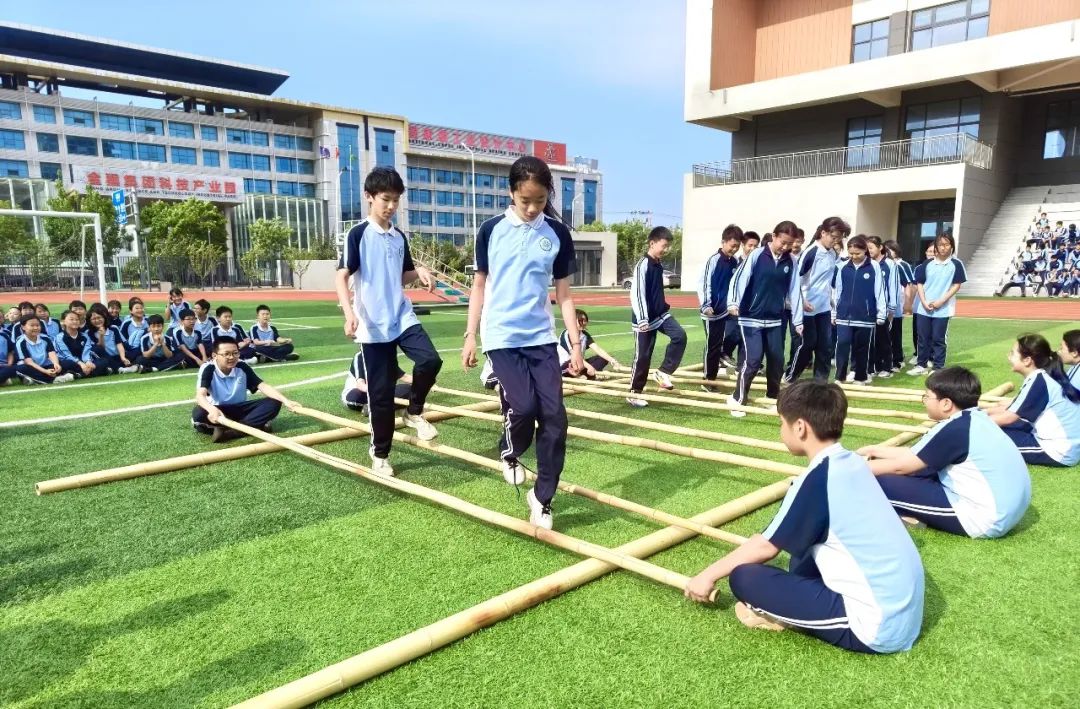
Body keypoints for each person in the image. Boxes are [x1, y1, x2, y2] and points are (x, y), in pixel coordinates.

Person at [685, 380, 924, 654]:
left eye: (781, 423)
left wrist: (706, 575)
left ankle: (781, 615)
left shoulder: (818, 479)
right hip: (902, 609)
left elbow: (765, 546)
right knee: (801, 543)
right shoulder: (853, 463)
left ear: (799, 427)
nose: (781, 431)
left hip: (876, 627)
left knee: (745, 577)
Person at [461, 155, 582, 530]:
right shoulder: (491, 229)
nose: (532, 208)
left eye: (540, 201)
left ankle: (543, 497)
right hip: (501, 337)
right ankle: (509, 452)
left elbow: (563, 295)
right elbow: (479, 285)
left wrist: (575, 345)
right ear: (511, 192)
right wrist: (471, 334)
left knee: (556, 419)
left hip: (541, 338)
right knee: (525, 407)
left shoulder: (557, 234)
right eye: (525, 200)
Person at [336, 165, 443, 476]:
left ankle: (413, 411)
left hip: (401, 314)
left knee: (430, 361)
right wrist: (349, 313)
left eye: (396, 200)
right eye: (386, 199)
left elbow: (404, 273)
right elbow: (342, 276)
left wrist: (420, 271)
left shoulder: (398, 237)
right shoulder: (357, 234)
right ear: (370, 197)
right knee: (380, 397)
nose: (392, 206)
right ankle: (380, 453)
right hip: (372, 325)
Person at [861, 367, 1031, 537]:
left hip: (985, 519)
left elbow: (901, 467)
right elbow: (917, 454)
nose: (924, 401)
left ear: (946, 403)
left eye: (926, 396)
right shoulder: (975, 418)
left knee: (879, 481)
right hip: (1009, 512)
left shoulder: (954, 428)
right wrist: (874, 449)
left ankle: (908, 514)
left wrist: (852, 465)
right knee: (921, 468)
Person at [726, 221, 803, 417]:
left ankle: (772, 397)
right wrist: (733, 303)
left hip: (775, 319)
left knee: (777, 360)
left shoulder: (791, 261)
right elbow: (739, 279)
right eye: (783, 242)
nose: (785, 247)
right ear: (774, 236)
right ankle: (737, 398)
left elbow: (795, 291)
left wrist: (798, 320)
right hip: (750, 317)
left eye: (790, 244)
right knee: (753, 360)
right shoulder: (757, 255)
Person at [987, 333, 1080, 467]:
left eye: (1012, 353)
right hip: (1068, 445)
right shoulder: (1039, 377)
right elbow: (1013, 408)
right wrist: (982, 412)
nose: (1008, 356)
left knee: (989, 436)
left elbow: (1008, 417)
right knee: (997, 428)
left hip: (1058, 451)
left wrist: (972, 422)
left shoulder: (1039, 381)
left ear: (1027, 360)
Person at [193, 336, 301, 443]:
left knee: (274, 402)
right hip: (220, 412)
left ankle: (231, 433)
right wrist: (211, 410)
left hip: (241, 409)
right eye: (226, 354)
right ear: (214, 356)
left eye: (235, 353)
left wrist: (286, 401)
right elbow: (200, 395)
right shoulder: (208, 368)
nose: (231, 357)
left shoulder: (242, 366)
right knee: (199, 412)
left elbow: (262, 386)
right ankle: (255, 425)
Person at [626, 226, 687, 406]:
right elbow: (637, 294)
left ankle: (663, 371)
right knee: (643, 357)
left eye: (668, 246)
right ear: (652, 243)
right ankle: (634, 392)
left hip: (660, 315)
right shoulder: (643, 265)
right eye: (664, 246)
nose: (666, 250)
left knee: (680, 336)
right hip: (644, 319)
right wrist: (643, 318)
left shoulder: (658, 264)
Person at [784, 217, 847, 383]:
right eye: (833, 237)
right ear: (823, 232)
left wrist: (832, 301)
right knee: (807, 344)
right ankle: (790, 376)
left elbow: (830, 279)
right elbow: (796, 280)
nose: (836, 241)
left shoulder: (833, 253)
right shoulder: (811, 252)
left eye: (839, 238)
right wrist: (802, 301)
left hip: (824, 308)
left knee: (825, 346)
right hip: (807, 308)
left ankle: (821, 382)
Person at [831, 235, 886, 386]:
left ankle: (860, 377)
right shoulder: (842, 267)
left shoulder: (874, 266)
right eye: (851, 253)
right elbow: (837, 291)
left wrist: (881, 313)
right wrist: (834, 312)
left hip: (865, 316)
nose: (854, 256)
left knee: (862, 348)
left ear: (865, 251)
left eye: (858, 253)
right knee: (842, 344)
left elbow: (879, 291)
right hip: (844, 315)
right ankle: (840, 376)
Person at [909, 234, 966, 375]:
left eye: (947, 244)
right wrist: (923, 301)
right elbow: (920, 284)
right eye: (941, 244)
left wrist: (941, 301)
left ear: (952, 246)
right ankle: (921, 365)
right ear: (936, 247)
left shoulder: (956, 264)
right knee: (922, 337)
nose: (943, 247)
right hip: (924, 308)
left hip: (943, 309)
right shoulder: (927, 264)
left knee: (938, 339)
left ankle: (938, 367)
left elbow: (956, 285)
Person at [697, 224, 742, 382]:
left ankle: (724, 355)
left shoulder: (734, 261)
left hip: (726, 309)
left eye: (737, 246)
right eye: (732, 246)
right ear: (724, 242)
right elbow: (704, 283)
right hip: (712, 311)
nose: (734, 249)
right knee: (713, 344)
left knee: (738, 331)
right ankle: (709, 378)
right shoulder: (714, 261)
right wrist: (706, 305)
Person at [341, 351, 413, 414]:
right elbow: (360, 385)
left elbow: (405, 377)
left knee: (409, 389)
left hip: (381, 394)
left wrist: (422, 381)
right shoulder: (360, 357)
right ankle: (379, 407)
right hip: (360, 394)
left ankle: (373, 408)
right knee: (355, 395)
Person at [14, 315, 74, 384]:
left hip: (47, 365)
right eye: (32, 325)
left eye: (38, 325)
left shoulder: (45, 338)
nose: (36, 328)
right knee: (21, 368)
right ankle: (54, 379)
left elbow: (52, 353)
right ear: (23, 327)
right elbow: (29, 362)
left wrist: (56, 364)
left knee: (69, 363)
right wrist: (45, 371)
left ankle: (36, 380)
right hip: (32, 367)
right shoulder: (21, 342)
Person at [559, 309, 619, 379]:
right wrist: (589, 367)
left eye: (585, 320)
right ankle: (590, 375)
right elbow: (574, 356)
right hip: (566, 366)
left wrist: (612, 360)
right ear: (573, 321)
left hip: (580, 364)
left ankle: (587, 375)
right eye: (581, 320)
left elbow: (597, 349)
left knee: (603, 358)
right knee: (573, 363)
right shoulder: (566, 335)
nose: (584, 323)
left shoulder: (584, 335)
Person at [884, 240, 915, 371]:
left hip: (897, 305)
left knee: (895, 334)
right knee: (885, 334)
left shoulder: (901, 265)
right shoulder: (879, 264)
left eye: (889, 250)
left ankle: (898, 359)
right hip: (883, 307)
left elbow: (909, 284)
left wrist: (907, 304)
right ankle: (886, 359)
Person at [86, 303, 138, 374]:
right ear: (89, 321)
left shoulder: (113, 328)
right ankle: (120, 369)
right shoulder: (89, 333)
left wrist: (123, 358)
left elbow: (119, 344)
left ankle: (114, 368)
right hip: (104, 357)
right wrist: (101, 336)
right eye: (94, 319)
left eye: (99, 317)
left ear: (104, 317)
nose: (97, 320)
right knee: (98, 350)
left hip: (117, 356)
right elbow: (100, 349)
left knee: (138, 351)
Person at [54, 309, 107, 378]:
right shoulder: (59, 337)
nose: (75, 321)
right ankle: (95, 372)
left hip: (83, 361)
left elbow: (87, 351)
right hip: (72, 362)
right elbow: (66, 355)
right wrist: (80, 363)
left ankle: (79, 375)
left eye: (77, 319)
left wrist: (87, 362)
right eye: (71, 319)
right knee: (67, 364)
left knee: (104, 360)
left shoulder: (84, 336)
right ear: (63, 321)